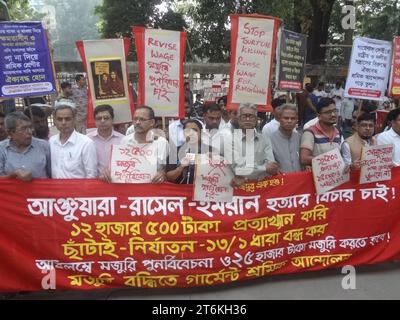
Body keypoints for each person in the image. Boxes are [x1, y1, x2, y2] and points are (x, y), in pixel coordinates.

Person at [115, 106, 168, 184]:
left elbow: (166, 169)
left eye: (142, 119)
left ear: (152, 122)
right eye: (135, 119)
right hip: (130, 187)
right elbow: (119, 166)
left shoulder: (162, 143)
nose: (137, 122)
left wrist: (163, 174)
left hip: (152, 189)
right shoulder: (125, 141)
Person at [231, 103, 278, 187]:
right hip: (239, 190)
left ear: (256, 120)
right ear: (238, 119)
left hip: (262, 188)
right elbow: (238, 169)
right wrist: (264, 168)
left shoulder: (265, 139)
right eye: (244, 116)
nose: (248, 119)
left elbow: (271, 165)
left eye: (251, 116)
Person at [49, 102, 98, 178]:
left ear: (75, 119)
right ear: (55, 121)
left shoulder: (86, 143)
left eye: (67, 119)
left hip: (78, 189)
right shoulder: (51, 142)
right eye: (59, 119)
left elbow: (92, 175)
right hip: (55, 189)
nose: (63, 123)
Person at [0, 112, 51, 180]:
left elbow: (52, 174)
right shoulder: (2, 148)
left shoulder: (44, 146)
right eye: (24, 129)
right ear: (11, 132)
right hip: (13, 190)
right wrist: (14, 175)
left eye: (30, 127)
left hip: (40, 190)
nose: (30, 132)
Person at [300, 97, 343, 167]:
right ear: (319, 116)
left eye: (335, 111)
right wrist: (329, 162)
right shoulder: (310, 133)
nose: (333, 114)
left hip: (334, 175)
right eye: (328, 112)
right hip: (318, 176)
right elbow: (304, 159)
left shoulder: (338, 132)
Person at [87, 104, 125, 173]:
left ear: (112, 120)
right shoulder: (87, 140)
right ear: (95, 121)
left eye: (106, 118)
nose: (102, 121)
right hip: (94, 180)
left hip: (116, 180)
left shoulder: (123, 140)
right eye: (99, 118)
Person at [166, 119, 205, 184]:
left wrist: (210, 159)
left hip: (202, 190)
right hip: (182, 190)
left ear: (201, 133)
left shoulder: (210, 151)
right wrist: (180, 168)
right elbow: (169, 177)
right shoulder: (175, 151)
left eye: (195, 130)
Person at [269, 104, 302, 173]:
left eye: (293, 118)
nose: (289, 121)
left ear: (297, 120)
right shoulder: (269, 140)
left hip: (299, 180)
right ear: (279, 119)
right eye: (286, 118)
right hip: (281, 181)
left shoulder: (299, 138)